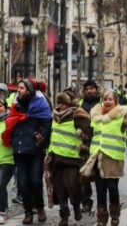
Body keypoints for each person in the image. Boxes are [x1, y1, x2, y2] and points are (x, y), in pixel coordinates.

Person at [3, 78, 52, 224]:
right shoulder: (16, 105)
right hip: (20, 150)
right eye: (18, 88)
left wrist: (40, 137)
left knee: (36, 181)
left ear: (29, 90)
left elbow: (46, 123)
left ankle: (40, 207)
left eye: (22, 88)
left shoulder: (40, 105)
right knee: (23, 183)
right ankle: (28, 211)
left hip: (36, 150)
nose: (18, 90)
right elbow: (11, 121)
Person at [84, 90, 127, 226]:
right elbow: (91, 134)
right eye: (105, 99)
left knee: (112, 187)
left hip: (113, 157)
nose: (108, 101)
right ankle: (102, 217)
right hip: (98, 155)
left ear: (116, 102)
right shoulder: (96, 117)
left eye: (111, 99)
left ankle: (115, 214)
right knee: (100, 189)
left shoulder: (122, 116)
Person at [47, 91, 91, 226]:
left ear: (69, 104)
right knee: (59, 189)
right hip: (56, 159)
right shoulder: (54, 117)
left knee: (74, 187)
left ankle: (77, 206)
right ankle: (64, 216)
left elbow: (88, 134)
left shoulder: (77, 116)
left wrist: (83, 141)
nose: (60, 106)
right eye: (58, 103)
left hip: (73, 159)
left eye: (63, 103)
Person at [79, 80, 102, 214]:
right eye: (87, 88)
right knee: (84, 176)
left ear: (96, 90)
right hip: (84, 144)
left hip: (99, 143)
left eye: (91, 88)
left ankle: (100, 202)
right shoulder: (80, 104)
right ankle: (86, 202)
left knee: (99, 175)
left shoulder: (102, 103)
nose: (89, 91)